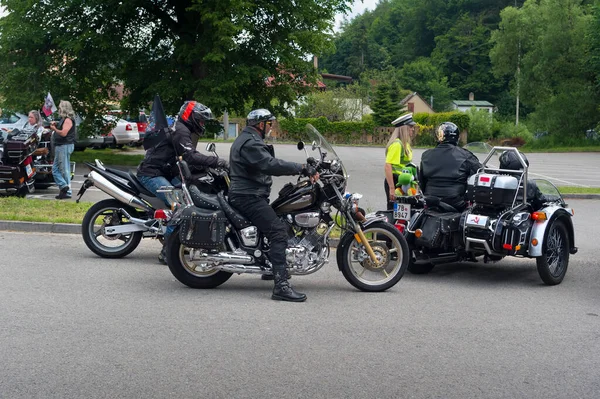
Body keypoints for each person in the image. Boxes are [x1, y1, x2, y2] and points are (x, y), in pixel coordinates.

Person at [228, 109, 319, 302]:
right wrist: (301, 168)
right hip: (248, 196)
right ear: (260, 124)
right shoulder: (250, 142)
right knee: (277, 231)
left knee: (280, 220)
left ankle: (270, 265)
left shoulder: (250, 138)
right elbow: (269, 164)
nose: (271, 127)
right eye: (269, 123)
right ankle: (281, 286)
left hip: (253, 193)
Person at [137, 100, 228, 263]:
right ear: (190, 116)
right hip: (151, 174)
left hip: (164, 171)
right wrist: (217, 162)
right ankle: (168, 251)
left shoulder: (182, 129)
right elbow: (190, 156)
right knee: (179, 206)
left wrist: (203, 167)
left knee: (191, 192)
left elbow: (188, 153)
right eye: (200, 119)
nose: (202, 123)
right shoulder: (180, 130)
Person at [419, 122, 481, 211]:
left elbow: (422, 182)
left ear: (438, 136)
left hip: (430, 200)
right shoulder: (465, 155)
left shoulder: (426, 155)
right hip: (456, 202)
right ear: (457, 137)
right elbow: (480, 172)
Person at [384, 114, 416, 210]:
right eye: (410, 127)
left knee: (405, 210)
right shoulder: (397, 144)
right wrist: (392, 188)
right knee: (395, 211)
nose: (413, 129)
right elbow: (388, 166)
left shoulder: (405, 144)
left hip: (404, 181)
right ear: (404, 129)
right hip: (396, 181)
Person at [50, 100, 77, 200]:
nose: (59, 109)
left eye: (60, 107)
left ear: (64, 108)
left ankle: (67, 191)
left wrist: (55, 129)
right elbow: (61, 126)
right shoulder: (63, 119)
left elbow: (64, 133)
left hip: (64, 146)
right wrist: (56, 123)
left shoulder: (68, 120)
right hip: (60, 146)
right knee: (55, 169)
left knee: (64, 169)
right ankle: (63, 187)